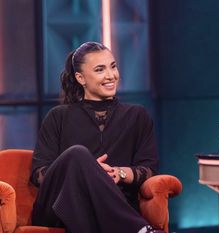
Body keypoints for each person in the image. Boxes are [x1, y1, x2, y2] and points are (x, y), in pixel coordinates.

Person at [30, 41, 162, 233]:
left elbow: (150, 169)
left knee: (80, 161)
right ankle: (140, 230)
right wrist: (84, 170)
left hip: (115, 205)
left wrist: (119, 173)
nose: (111, 76)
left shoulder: (137, 116)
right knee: (77, 155)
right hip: (59, 206)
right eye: (100, 69)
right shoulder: (58, 116)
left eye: (113, 67)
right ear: (80, 78)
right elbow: (38, 174)